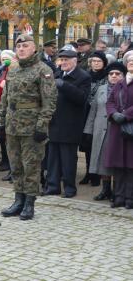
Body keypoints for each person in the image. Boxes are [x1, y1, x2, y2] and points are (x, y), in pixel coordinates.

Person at [0, 34, 57, 220]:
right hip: (12, 125)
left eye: (25, 45)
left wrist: (42, 126)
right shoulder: (12, 69)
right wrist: (0, 120)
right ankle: (18, 199)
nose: (21, 49)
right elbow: (5, 98)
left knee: (31, 166)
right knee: (15, 165)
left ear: (34, 48)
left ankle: (29, 203)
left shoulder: (43, 70)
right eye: (19, 46)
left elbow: (50, 102)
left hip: (32, 127)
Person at [44, 46, 91, 198]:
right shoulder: (57, 74)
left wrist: (64, 86)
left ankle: (70, 188)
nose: (63, 62)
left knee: (68, 159)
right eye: (61, 59)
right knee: (52, 158)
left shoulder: (83, 77)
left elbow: (82, 98)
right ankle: (52, 186)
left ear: (75, 61)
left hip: (70, 125)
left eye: (66, 60)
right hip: (54, 122)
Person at [84, 62, 127, 201]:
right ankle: (105, 189)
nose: (114, 76)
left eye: (117, 74)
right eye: (111, 74)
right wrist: (89, 130)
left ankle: (116, 191)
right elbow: (93, 110)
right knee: (101, 161)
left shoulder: (126, 89)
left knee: (115, 161)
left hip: (118, 130)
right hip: (99, 129)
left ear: (123, 75)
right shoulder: (101, 89)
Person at [103, 54, 133, 209]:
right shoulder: (119, 83)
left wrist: (126, 115)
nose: (131, 63)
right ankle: (119, 196)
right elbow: (110, 101)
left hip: (130, 128)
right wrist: (113, 113)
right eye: (129, 61)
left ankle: (130, 198)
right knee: (118, 166)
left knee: (130, 166)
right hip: (117, 128)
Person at [80, 51, 109, 187]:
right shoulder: (85, 75)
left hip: (99, 113)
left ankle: (97, 174)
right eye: (93, 61)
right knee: (86, 144)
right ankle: (88, 173)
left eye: (99, 61)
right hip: (85, 113)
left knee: (97, 144)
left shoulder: (107, 76)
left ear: (104, 63)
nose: (96, 63)